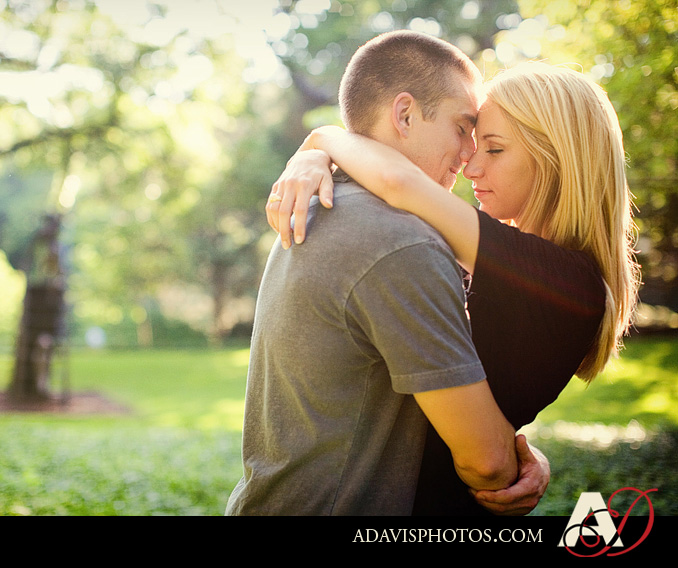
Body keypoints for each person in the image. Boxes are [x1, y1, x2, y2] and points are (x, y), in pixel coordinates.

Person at [267, 60, 640, 515]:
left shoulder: (560, 278)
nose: (471, 166)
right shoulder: (521, 266)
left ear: (557, 158)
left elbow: (400, 184)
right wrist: (522, 453)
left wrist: (321, 139)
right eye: (473, 143)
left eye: (495, 150)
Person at [226, 30, 546, 517]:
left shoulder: (324, 203)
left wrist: (321, 143)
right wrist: (519, 461)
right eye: (463, 128)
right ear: (404, 114)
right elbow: (488, 464)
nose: (469, 155)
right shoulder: (399, 242)